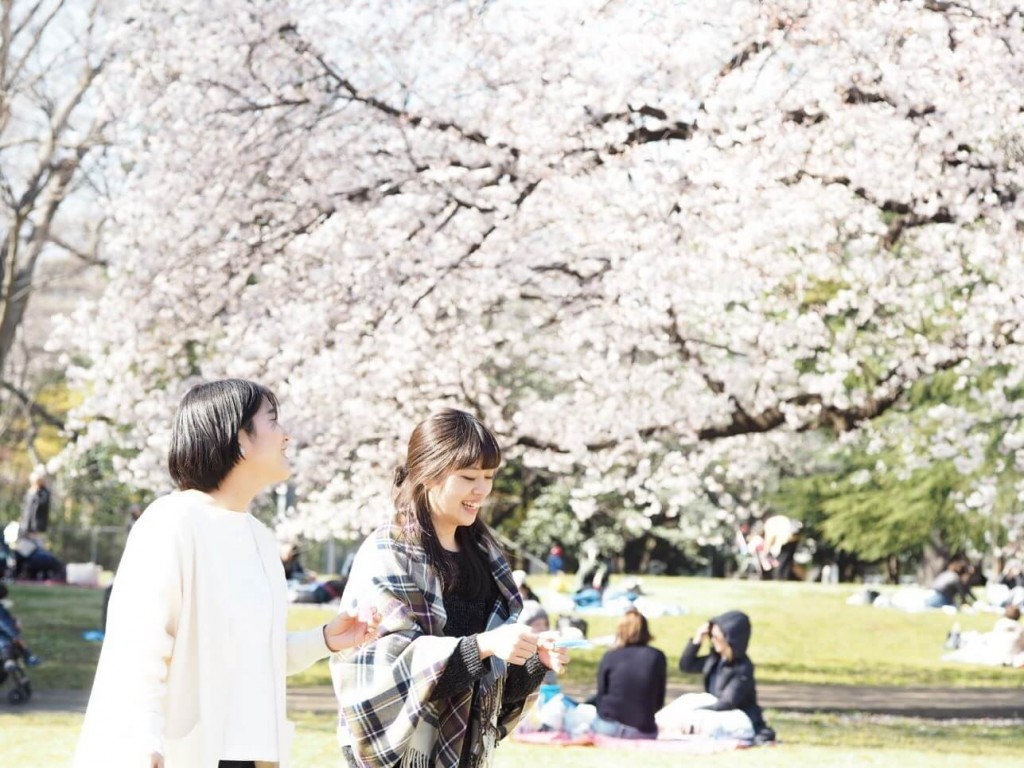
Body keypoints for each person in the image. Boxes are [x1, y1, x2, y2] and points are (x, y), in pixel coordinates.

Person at [73, 379, 377, 768]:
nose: (286, 435)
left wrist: (325, 640)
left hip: (253, 757)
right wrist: (142, 743)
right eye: (273, 421)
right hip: (182, 754)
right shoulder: (171, 522)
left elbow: (255, 656)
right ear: (240, 440)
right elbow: (140, 648)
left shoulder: (260, 538)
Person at [331, 408, 570, 768]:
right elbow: (382, 669)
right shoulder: (388, 552)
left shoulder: (487, 557)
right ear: (428, 474)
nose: (482, 489)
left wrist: (532, 658)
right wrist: (484, 646)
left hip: (465, 754)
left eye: (489, 476)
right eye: (468, 476)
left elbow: (492, 689)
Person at [660, 610, 770, 741]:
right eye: (711, 636)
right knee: (686, 702)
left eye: (716, 637)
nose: (713, 640)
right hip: (715, 713)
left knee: (693, 707)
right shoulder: (715, 661)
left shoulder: (742, 669)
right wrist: (697, 639)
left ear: (731, 640)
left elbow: (727, 703)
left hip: (738, 718)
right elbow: (686, 665)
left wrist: (695, 712)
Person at [592, 608, 665, 739]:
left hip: (609, 725)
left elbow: (601, 695)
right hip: (642, 729)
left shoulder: (610, 656)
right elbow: (659, 699)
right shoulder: (656, 656)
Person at [20, 469, 51, 535]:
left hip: (38, 525)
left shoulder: (44, 492)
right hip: (27, 524)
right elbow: (26, 507)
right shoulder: (30, 491)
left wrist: (36, 493)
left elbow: (40, 505)